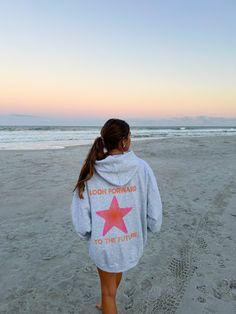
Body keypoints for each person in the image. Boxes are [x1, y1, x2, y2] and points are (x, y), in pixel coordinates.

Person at [71, 118, 162, 314]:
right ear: (124, 141)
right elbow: (154, 205)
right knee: (112, 283)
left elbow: (81, 215)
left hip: (103, 243)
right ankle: (106, 304)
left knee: (108, 290)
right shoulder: (142, 168)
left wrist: (86, 233)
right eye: (130, 136)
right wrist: (154, 225)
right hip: (130, 240)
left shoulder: (91, 170)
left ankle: (106, 303)